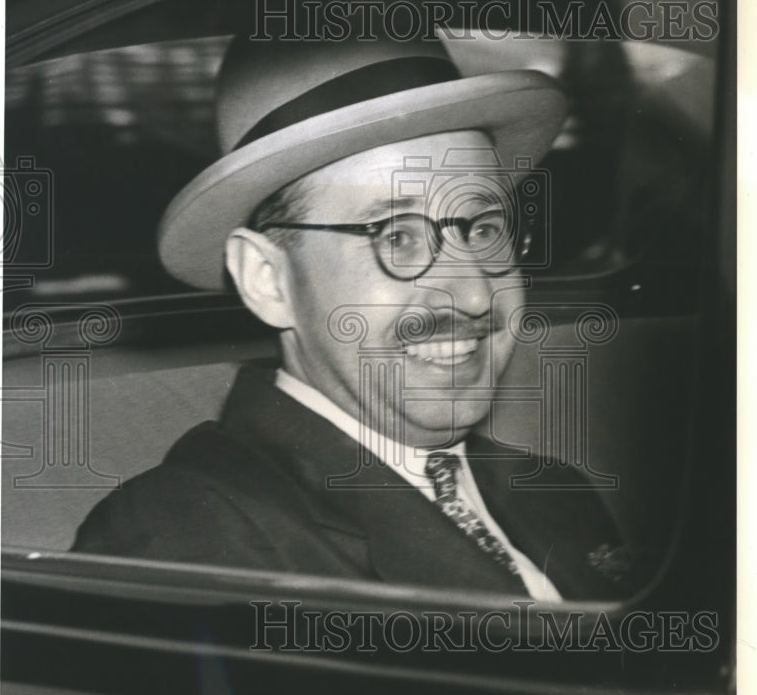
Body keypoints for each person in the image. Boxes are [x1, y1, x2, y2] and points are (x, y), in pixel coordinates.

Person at [72, 33, 637, 601]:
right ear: (267, 280)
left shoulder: (553, 490)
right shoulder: (188, 541)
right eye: (398, 237)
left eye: (485, 229)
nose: (472, 296)